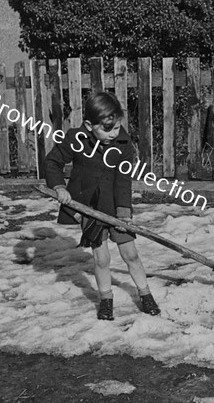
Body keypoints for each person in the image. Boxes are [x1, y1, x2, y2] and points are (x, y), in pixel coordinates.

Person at [44, 91, 161, 320]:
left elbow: (123, 181)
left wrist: (124, 214)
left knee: (131, 254)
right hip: (89, 208)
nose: (113, 134)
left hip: (116, 208)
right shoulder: (75, 139)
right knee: (101, 258)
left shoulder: (124, 145)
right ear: (89, 125)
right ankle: (106, 299)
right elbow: (52, 161)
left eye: (116, 127)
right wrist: (59, 187)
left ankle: (145, 294)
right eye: (107, 129)